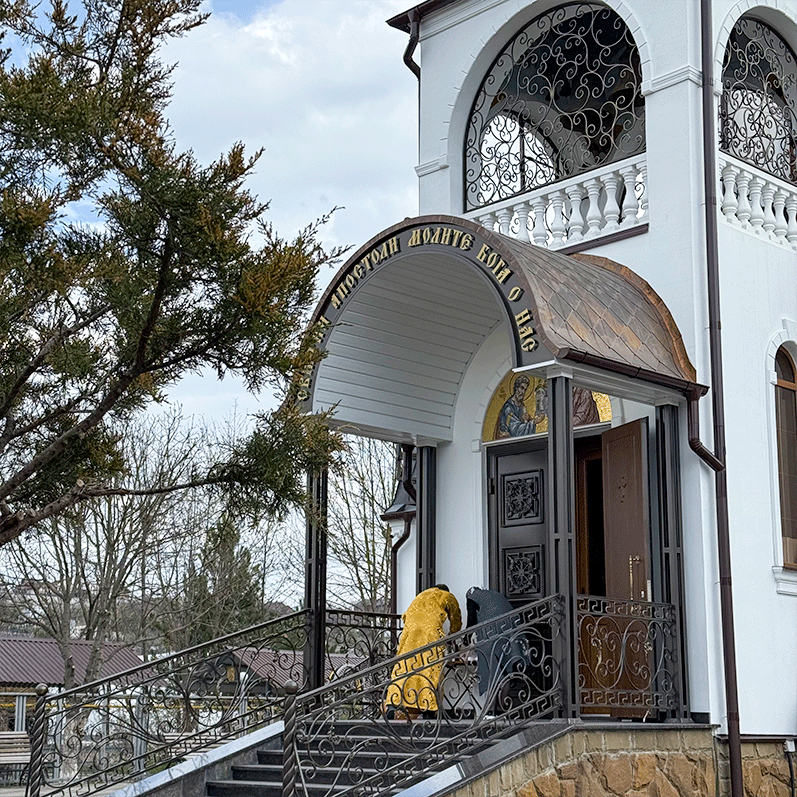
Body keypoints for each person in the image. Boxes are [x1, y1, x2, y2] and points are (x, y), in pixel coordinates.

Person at [384, 584, 462, 719]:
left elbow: (405, 616)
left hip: (410, 632)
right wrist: (454, 635)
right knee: (430, 669)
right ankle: (429, 710)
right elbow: (456, 617)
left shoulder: (420, 596)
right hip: (430, 633)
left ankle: (392, 704)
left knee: (404, 667)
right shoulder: (445, 595)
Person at [465, 587, 525, 702]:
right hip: (509, 629)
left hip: (493, 633)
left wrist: (465, 642)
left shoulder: (472, 597)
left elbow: (471, 621)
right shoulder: (493, 594)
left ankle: (492, 711)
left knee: (491, 670)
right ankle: (501, 708)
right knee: (505, 669)